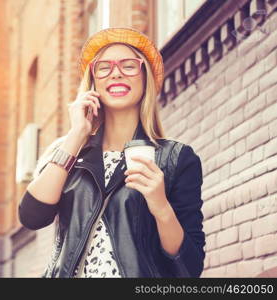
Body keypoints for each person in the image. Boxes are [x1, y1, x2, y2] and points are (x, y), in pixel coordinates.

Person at [18, 27, 205, 278]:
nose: (116, 73)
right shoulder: (70, 152)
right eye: (103, 67)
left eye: (128, 65)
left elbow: (189, 268)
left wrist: (160, 206)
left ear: (144, 77)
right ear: (93, 82)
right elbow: (32, 216)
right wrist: (76, 135)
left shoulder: (175, 159)